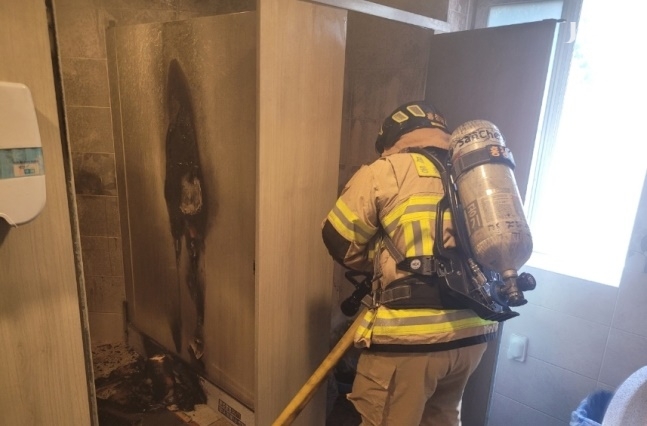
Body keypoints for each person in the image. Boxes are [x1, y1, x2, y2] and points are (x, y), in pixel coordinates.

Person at [321, 101, 499, 426]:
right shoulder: (469, 173)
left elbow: (339, 239)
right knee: (441, 419)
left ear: (392, 138)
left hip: (411, 340)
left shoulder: (387, 170)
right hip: (472, 333)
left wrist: (382, 260)